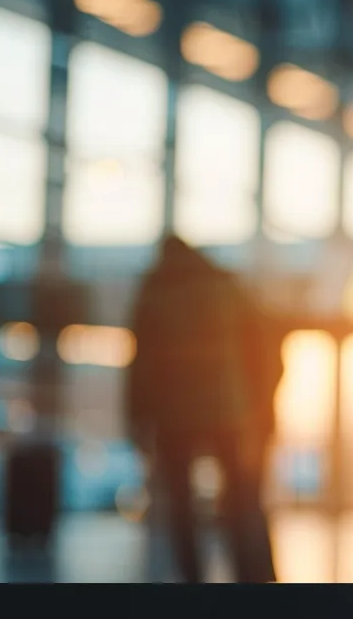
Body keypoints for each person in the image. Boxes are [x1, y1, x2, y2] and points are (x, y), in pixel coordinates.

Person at [127, 234, 279, 583]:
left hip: (174, 415)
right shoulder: (225, 286)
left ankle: (192, 580)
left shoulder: (155, 291)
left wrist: (137, 419)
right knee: (241, 498)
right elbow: (263, 348)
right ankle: (251, 577)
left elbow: (141, 366)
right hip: (230, 411)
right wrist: (260, 403)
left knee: (182, 503)